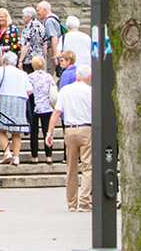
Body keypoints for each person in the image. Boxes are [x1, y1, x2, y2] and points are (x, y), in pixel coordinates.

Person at [49, 65, 94, 212]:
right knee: (88, 167)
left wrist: (50, 132)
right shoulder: (91, 91)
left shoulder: (65, 90)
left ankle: (71, 203)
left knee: (71, 168)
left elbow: (56, 112)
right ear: (88, 77)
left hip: (69, 130)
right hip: (87, 128)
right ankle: (84, 201)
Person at [28, 56, 58, 164]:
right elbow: (53, 90)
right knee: (47, 132)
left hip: (34, 108)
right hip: (47, 107)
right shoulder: (48, 77)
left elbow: (28, 91)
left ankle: (34, 156)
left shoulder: (30, 77)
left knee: (34, 133)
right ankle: (49, 155)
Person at [36, 1, 63, 71]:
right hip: (56, 50)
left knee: (51, 73)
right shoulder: (54, 18)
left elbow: (54, 38)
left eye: (38, 10)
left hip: (52, 51)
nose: (37, 13)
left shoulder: (49, 21)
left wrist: (55, 56)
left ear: (45, 10)